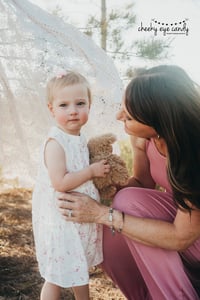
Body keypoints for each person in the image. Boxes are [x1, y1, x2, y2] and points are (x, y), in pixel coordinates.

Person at [57, 65, 200, 300]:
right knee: (109, 219)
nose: (119, 117)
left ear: (160, 119)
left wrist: (102, 213)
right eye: (123, 109)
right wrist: (100, 185)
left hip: (190, 235)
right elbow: (142, 183)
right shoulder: (145, 138)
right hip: (179, 222)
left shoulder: (192, 151)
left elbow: (181, 236)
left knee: (122, 205)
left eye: (129, 116)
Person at [32, 70, 110, 300]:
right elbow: (61, 182)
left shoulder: (79, 138)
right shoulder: (56, 142)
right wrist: (91, 171)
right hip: (61, 221)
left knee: (79, 266)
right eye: (64, 105)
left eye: (80, 103)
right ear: (51, 109)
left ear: (90, 105)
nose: (73, 111)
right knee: (55, 275)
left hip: (77, 218)